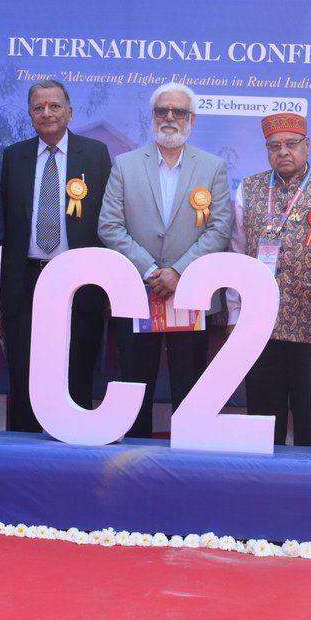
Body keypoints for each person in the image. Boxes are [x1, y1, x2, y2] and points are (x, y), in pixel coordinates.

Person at [99, 82, 233, 439]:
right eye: (162, 111)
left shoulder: (213, 167)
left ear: (192, 119)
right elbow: (109, 225)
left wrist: (178, 271)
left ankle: (188, 458)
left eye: (179, 112)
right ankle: (132, 458)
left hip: (190, 295)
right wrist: (150, 270)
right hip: (138, 293)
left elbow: (220, 228)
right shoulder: (125, 165)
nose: (170, 117)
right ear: (153, 116)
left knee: (189, 387)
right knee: (135, 385)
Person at [229, 112, 311, 447]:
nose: (283, 152)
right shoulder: (249, 189)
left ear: (307, 145)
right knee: (263, 423)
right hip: (260, 327)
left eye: (291, 144)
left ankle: (309, 479)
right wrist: (234, 315)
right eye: (274, 146)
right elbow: (237, 257)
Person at [0, 78, 113, 432]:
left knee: (76, 365)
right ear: (30, 114)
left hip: (78, 281)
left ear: (70, 112)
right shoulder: (14, 156)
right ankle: (22, 445)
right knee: (24, 366)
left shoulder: (94, 154)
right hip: (26, 279)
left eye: (54, 106)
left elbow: (108, 220)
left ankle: (74, 441)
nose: (46, 113)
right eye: (38, 107)